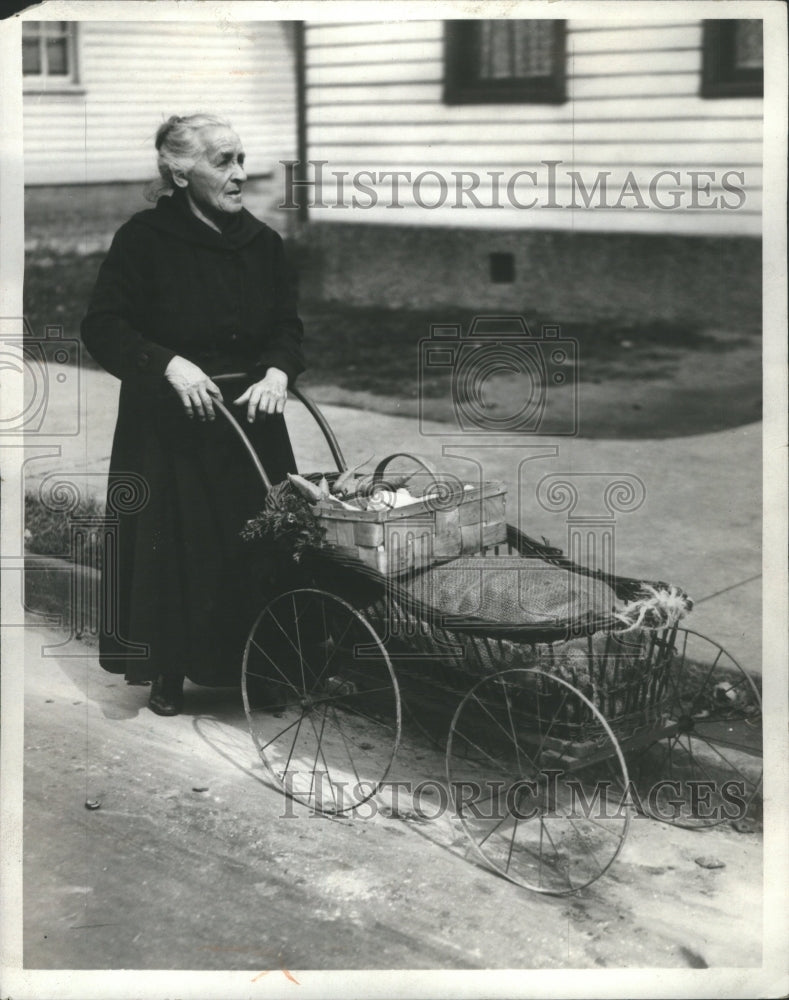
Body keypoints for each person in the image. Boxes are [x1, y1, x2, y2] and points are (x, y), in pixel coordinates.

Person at [81, 114, 305, 716]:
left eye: (241, 160)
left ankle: (260, 669)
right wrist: (165, 363)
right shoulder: (144, 240)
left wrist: (279, 371)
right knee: (174, 548)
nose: (240, 175)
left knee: (256, 545)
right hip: (168, 427)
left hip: (250, 426)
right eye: (224, 161)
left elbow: (287, 328)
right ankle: (167, 671)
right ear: (180, 172)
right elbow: (102, 325)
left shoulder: (263, 244)